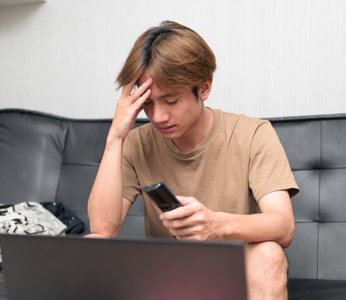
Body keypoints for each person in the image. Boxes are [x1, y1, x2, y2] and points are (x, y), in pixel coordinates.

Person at [87, 20, 299, 300]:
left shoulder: (253, 134)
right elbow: (102, 229)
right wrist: (115, 138)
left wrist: (215, 224)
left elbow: (283, 227)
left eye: (171, 101)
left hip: (234, 274)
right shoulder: (136, 143)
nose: (158, 116)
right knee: (93, 246)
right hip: (167, 277)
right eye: (147, 103)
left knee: (269, 253)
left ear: (204, 88)